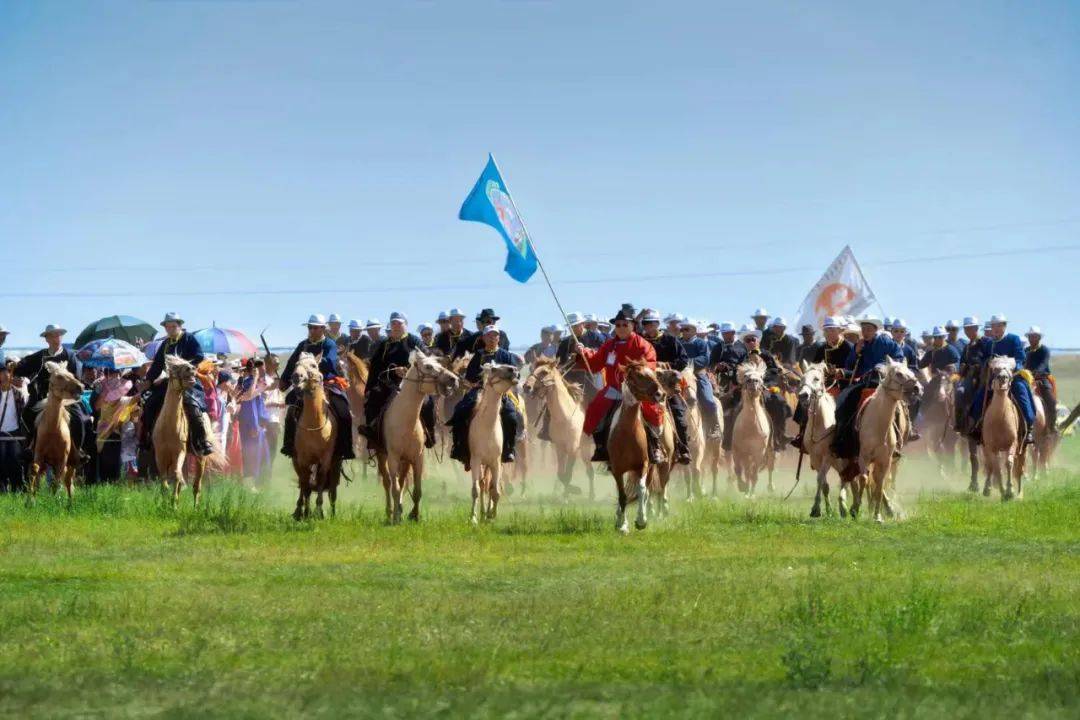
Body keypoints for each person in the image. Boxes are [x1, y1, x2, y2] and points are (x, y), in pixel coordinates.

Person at [575, 310, 665, 464]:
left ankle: (655, 446)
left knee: (652, 410)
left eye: (625, 324)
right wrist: (583, 353)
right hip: (614, 388)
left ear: (633, 326)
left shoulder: (643, 345)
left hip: (637, 391)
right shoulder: (609, 345)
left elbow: (649, 364)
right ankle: (601, 447)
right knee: (594, 409)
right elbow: (596, 363)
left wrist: (634, 369)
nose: (621, 327)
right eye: (618, 325)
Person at [278, 314, 355, 460]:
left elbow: (331, 362)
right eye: (310, 327)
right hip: (305, 385)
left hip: (327, 383)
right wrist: (284, 380)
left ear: (323, 329)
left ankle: (345, 448)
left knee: (344, 411)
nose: (312, 330)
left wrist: (310, 362)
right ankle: (289, 445)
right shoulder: (303, 345)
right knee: (290, 411)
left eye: (315, 328)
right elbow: (291, 364)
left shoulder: (329, 344)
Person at [446, 325, 522, 468]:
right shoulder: (478, 355)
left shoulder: (506, 355)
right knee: (461, 411)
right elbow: (469, 377)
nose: (492, 338)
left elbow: (515, 374)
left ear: (499, 338)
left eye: (495, 335)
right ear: (483, 338)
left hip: (501, 393)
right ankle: (460, 448)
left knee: (512, 416)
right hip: (480, 391)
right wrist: (472, 383)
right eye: (489, 335)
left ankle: (508, 449)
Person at [830, 316, 905, 459]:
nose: (865, 332)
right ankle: (842, 438)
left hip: (884, 383)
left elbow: (899, 357)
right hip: (863, 382)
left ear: (875, 330)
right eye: (863, 329)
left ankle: (897, 439)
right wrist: (855, 352)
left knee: (896, 405)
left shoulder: (885, 341)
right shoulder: (860, 344)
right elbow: (850, 366)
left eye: (868, 329)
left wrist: (884, 366)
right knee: (844, 399)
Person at [139, 313, 213, 457]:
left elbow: (199, 356)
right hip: (170, 382)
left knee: (193, 408)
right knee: (149, 403)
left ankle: (202, 441)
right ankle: (146, 438)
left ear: (180, 326)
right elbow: (157, 365)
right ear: (165, 328)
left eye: (174, 326)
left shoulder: (189, 338)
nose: (171, 329)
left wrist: (183, 366)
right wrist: (148, 380)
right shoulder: (165, 344)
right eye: (168, 327)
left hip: (188, 381)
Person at [16, 323, 92, 460]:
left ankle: (78, 450)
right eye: (53, 335)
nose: (57, 338)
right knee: (27, 415)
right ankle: (30, 447)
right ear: (47, 339)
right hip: (43, 397)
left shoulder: (70, 355)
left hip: (66, 398)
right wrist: (13, 366)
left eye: (58, 335)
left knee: (79, 419)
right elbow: (22, 366)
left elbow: (76, 378)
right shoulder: (40, 356)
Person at [361, 311, 435, 451]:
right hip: (389, 385)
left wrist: (408, 368)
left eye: (399, 323)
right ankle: (373, 435)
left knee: (428, 403)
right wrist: (369, 388)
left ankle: (430, 434)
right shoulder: (384, 345)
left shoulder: (414, 341)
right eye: (393, 323)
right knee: (373, 398)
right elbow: (375, 368)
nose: (395, 326)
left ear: (405, 325)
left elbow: (427, 359)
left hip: (413, 385)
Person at [719, 326, 790, 452]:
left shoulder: (766, 355)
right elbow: (735, 373)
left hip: (765, 389)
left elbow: (774, 371)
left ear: (758, 341)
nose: (751, 342)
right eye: (748, 340)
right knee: (729, 409)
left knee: (780, 403)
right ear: (745, 343)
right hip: (744, 390)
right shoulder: (740, 356)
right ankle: (728, 440)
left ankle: (779, 437)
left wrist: (765, 382)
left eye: (753, 339)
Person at [968, 314, 1036, 445]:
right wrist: (988, 362)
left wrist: (1012, 366)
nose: (996, 329)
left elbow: (1020, 358)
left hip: (1012, 376)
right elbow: (984, 359)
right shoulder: (989, 343)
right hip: (995, 378)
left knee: (1022, 392)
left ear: (1004, 326)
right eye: (994, 326)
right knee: (980, 396)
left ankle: (1029, 427)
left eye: (999, 325)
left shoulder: (1013, 339)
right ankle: (976, 426)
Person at [791, 316, 854, 449]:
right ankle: (803, 433)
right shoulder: (821, 348)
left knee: (847, 406)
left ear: (839, 330)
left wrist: (840, 372)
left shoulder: (849, 347)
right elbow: (814, 367)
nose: (828, 333)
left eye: (831, 330)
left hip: (844, 384)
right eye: (826, 330)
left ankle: (846, 438)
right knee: (805, 397)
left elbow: (854, 369)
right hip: (823, 384)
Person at [640, 309, 691, 464]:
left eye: (652, 323)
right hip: (646, 384)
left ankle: (683, 449)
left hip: (668, 383)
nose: (649, 326)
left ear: (657, 324)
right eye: (646, 323)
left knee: (678, 413)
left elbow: (683, 360)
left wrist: (667, 366)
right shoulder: (640, 340)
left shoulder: (670, 340)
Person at [678, 318, 722, 440]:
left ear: (694, 330)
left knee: (708, 399)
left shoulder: (701, 343)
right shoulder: (678, 342)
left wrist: (688, 362)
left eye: (686, 329)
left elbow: (705, 359)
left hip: (698, 375)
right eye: (682, 329)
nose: (684, 331)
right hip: (680, 376)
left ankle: (714, 427)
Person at [236, 358, 272, 481]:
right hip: (252, 424)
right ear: (255, 370)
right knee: (253, 454)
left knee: (260, 454)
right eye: (261, 368)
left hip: (257, 423)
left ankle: (259, 480)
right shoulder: (250, 382)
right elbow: (250, 406)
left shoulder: (255, 382)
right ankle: (252, 481)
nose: (264, 369)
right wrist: (254, 425)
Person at [955, 316, 986, 433]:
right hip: (969, 377)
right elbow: (962, 361)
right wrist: (963, 366)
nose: (968, 332)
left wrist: (979, 366)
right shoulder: (967, 347)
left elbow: (988, 357)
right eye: (966, 329)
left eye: (971, 328)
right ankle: (960, 423)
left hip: (983, 377)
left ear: (976, 328)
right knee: (959, 392)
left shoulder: (984, 342)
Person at [0, 361, 28, 491]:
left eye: (5, 372)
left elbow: (25, 407)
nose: (4, 376)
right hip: (0, 434)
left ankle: (17, 488)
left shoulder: (18, 394)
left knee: (15, 462)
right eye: (1, 373)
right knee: (1, 462)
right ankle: (2, 489)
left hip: (15, 434)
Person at [1023, 326, 1057, 435]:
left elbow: (1043, 364)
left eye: (1034, 336)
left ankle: (1051, 427)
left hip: (1042, 379)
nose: (1031, 338)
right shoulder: (1025, 350)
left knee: (1051, 402)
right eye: (1030, 336)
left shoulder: (1044, 350)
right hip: (1026, 379)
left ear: (1039, 338)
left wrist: (1034, 372)